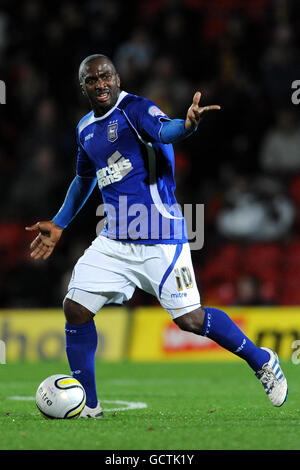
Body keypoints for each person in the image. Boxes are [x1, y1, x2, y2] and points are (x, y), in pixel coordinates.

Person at [26, 54, 288, 418]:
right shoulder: (85, 128)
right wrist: (59, 223)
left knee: (190, 320)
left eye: (105, 77)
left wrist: (189, 124)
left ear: (117, 78)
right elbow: (84, 179)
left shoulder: (135, 109)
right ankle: (89, 405)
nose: (100, 84)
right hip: (115, 240)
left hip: (160, 239)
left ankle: (262, 360)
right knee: (75, 307)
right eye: (91, 80)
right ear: (82, 85)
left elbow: (165, 129)